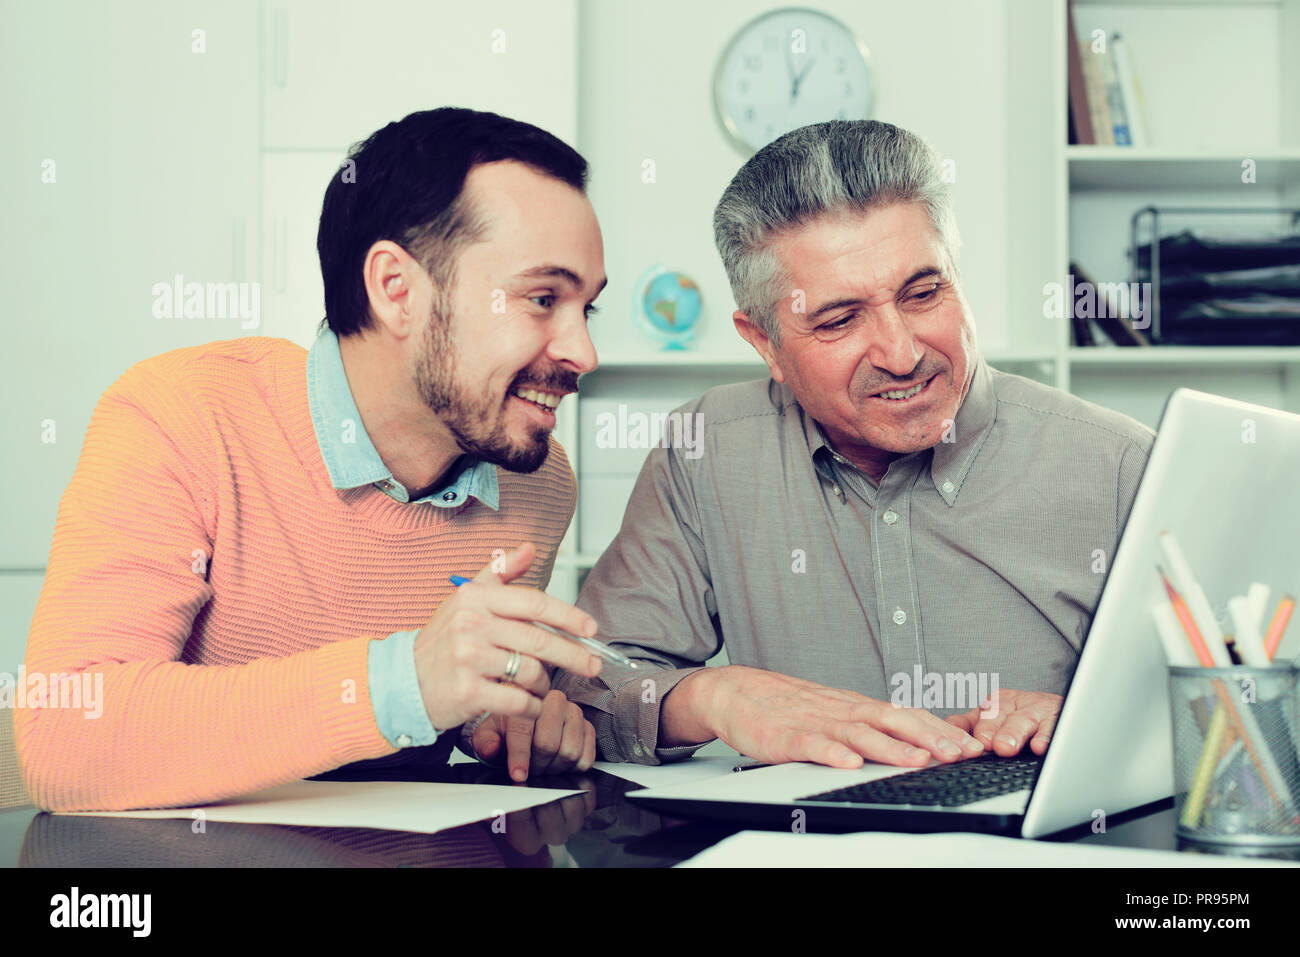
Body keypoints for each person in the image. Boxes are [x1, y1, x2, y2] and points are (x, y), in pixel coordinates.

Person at [17, 107, 609, 811]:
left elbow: (423, 718)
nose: (584, 352)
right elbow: (64, 737)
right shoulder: (180, 413)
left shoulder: (539, 483)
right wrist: (401, 682)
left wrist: (493, 718)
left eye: (587, 309)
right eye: (542, 298)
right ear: (396, 289)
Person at [556, 119, 1155, 770]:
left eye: (923, 293)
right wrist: (715, 695)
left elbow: (1220, 698)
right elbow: (589, 688)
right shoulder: (704, 453)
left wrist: (1098, 719)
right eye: (840, 320)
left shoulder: (1125, 467)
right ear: (763, 343)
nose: (901, 354)